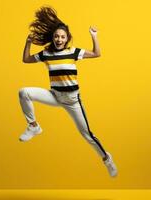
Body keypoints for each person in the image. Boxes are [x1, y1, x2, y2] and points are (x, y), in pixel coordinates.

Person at [18, 6, 117, 177]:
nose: (59, 39)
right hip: (55, 96)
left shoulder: (73, 52)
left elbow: (96, 53)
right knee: (23, 92)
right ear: (53, 37)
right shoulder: (47, 53)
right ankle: (33, 126)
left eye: (62, 36)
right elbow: (26, 60)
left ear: (67, 38)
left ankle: (107, 159)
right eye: (56, 36)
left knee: (87, 134)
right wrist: (27, 43)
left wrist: (94, 36)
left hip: (72, 101)